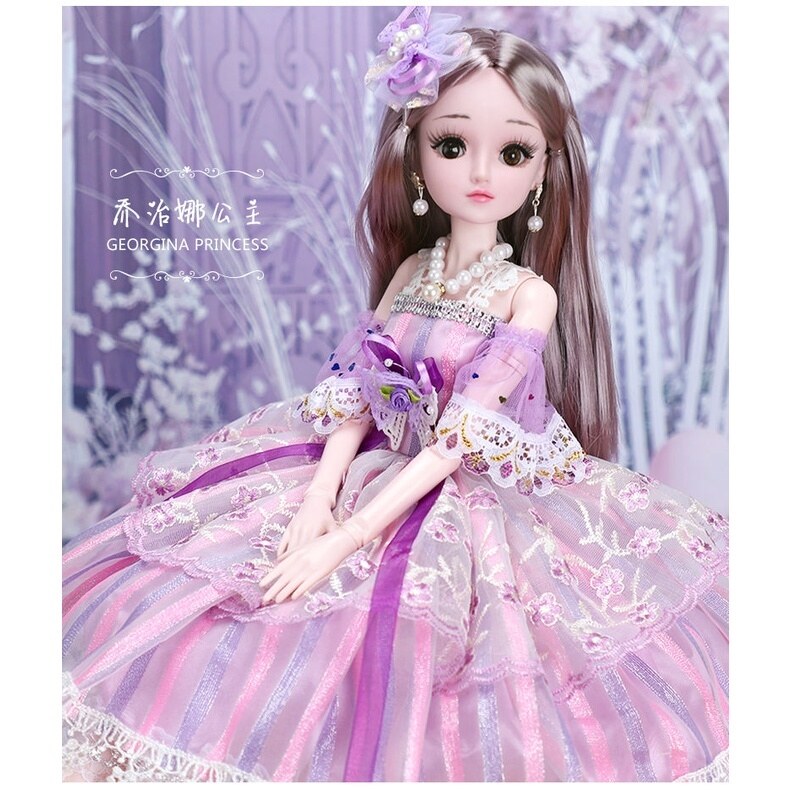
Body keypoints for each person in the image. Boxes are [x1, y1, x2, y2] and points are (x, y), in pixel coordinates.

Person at [62, 8, 728, 782]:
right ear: (416, 156)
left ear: (544, 170)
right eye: (452, 144)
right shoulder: (414, 272)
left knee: (449, 660)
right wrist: (320, 497)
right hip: (371, 463)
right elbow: (361, 384)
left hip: (465, 495)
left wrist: (347, 537)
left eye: (513, 151)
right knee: (232, 609)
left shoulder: (528, 296)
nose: (481, 173)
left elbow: (459, 439)